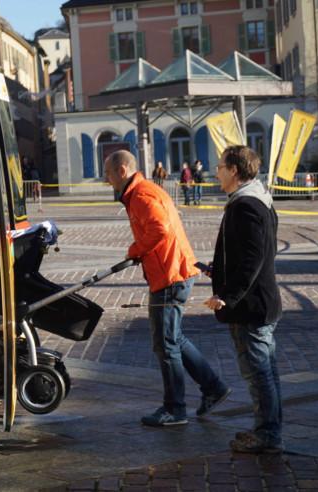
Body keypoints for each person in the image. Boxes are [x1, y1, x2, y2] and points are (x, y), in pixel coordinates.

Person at [104, 150, 230, 427]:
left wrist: (135, 250)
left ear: (122, 171)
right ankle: (213, 387)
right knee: (173, 339)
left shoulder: (140, 195)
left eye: (109, 174)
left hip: (171, 274)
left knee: (165, 343)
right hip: (174, 271)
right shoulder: (144, 190)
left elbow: (159, 229)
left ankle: (175, 408)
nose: (107, 180)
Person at [204, 145, 283, 454]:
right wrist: (218, 271)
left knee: (259, 373)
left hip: (251, 306)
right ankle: (268, 430)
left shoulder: (246, 205)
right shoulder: (254, 199)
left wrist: (227, 296)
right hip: (259, 302)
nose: (216, 172)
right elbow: (248, 254)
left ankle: (268, 435)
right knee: (265, 372)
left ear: (234, 170)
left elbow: (253, 258)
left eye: (221, 166)